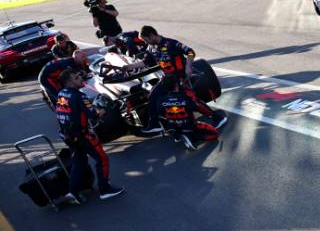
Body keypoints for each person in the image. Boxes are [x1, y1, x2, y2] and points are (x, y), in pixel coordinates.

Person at [139, 26, 225, 134]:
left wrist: (188, 67)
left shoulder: (172, 43)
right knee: (152, 96)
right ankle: (155, 124)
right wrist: (127, 67)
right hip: (167, 79)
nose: (146, 42)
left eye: (146, 40)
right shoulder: (151, 48)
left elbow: (190, 52)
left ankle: (218, 118)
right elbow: (144, 62)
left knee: (190, 100)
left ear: (151, 35)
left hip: (179, 77)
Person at [54, 69, 124, 202]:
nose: (80, 79)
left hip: (67, 136)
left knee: (79, 162)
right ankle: (105, 190)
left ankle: (73, 192)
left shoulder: (61, 93)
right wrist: (103, 110)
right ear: (69, 82)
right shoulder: (79, 96)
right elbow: (92, 114)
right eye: (76, 77)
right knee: (102, 159)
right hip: (81, 135)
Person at [155, 73, 222, 150]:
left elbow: (161, 113)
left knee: (171, 121)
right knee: (214, 133)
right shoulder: (184, 98)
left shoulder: (160, 101)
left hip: (172, 127)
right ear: (177, 85)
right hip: (189, 126)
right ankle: (192, 137)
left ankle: (178, 135)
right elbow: (196, 107)